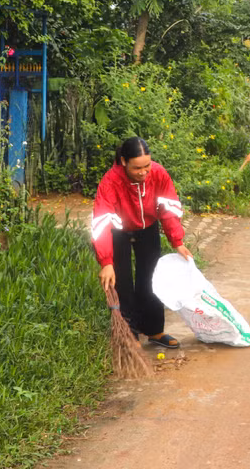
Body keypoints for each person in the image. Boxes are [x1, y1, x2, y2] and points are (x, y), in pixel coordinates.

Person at [92, 136, 193, 349]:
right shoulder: (110, 182)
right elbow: (101, 223)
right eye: (137, 168)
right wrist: (106, 262)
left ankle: (154, 330)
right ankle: (129, 334)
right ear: (123, 162)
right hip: (118, 232)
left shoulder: (159, 174)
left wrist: (177, 240)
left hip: (147, 228)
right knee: (123, 283)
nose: (143, 172)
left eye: (147, 165)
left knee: (151, 278)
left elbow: (168, 208)